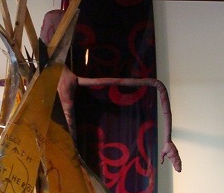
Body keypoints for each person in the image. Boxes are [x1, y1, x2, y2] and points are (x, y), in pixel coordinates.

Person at [40, 9, 182, 172]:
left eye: (44, 26)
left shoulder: (63, 77)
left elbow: (157, 85)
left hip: (62, 159)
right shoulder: (45, 75)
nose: (41, 30)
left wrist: (167, 140)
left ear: (52, 33)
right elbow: (157, 85)